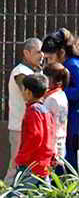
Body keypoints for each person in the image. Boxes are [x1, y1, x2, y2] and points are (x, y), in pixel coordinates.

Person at [40, 28, 79, 169]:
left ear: (62, 52)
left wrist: (57, 92)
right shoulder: (74, 62)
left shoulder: (73, 65)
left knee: (72, 163)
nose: (48, 62)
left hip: (76, 122)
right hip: (72, 119)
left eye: (50, 58)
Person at [6, 37, 42, 180]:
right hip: (19, 128)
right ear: (26, 53)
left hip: (29, 127)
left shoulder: (33, 72)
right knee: (15, 167)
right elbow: (29, 95)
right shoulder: (20, 72)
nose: (42, 55)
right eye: (38, 52)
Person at [14, 73, 54, 181]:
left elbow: (35, 136)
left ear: (28, 92)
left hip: (31, 165)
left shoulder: (32, 110)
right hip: (44, 164)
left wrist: (21, 158)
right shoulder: (46, 111)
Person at [40, 63, 69, 170]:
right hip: (60, 140)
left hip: (52, 143)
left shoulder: (51, 99)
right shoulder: (61, 94)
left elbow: (46, 123)